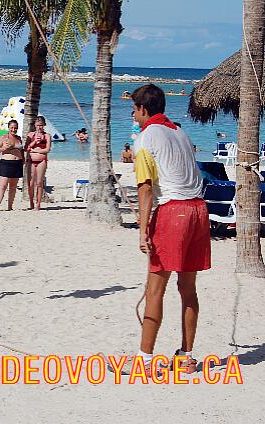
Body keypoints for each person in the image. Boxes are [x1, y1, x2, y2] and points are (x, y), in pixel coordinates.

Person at [131, 83, 210, 374]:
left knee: (155, 289)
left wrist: (142, 230)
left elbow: (146, 188)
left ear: (143, 109)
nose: (133, 116)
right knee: (188, 289)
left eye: (134, 111)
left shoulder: (145, 136)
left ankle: (145, 361)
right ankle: (187, 357)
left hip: (173, 212)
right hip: (198, 211)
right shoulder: (179, 131)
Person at [0, 119, 23, 212]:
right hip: (6, 163)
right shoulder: (3, 137)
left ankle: (10, 206)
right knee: (3, 186)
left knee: (13, 187)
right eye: (12, 128)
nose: (13, 129)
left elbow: (22, 150)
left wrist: (24, 160)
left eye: (15, 128)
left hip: (17, 163)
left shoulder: (19, 138)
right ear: (9, 128)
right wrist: (4, 148)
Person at [25, 116, 51, 210]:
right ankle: (31, 202)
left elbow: (47, 149)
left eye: (41, 125)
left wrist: (36, 151)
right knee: (31, 183)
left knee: (39, 183)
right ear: (35, 125)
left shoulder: (47, 136)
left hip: (42, 161)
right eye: (38, 125)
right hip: (31, 161)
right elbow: (26, 148)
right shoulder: (31, 135)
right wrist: (34, 142)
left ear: (44, 125)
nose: (39, 127)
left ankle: (38, 203)